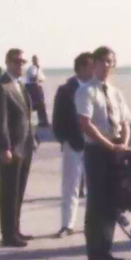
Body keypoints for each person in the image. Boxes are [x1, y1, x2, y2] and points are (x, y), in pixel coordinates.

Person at [75, 46, 131, 260]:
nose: (110, 66)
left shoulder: (115, 92)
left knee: (112, 202)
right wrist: (109, 146)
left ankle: (107, 251)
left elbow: (125, 122)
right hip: (98, 152)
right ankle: (94, 255)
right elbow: (85, 124)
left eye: (113, 62)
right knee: (96, 203)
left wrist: (124, 145)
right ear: (96, 63)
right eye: (106, 61)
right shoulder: (86, 92)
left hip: (116, 151)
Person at [0, 48, 37, 247]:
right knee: (8, 191)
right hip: (10, 148)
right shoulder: (1, 87)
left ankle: (15, 229)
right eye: (16, 61)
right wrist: (4, 147)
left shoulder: (20, 86)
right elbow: (0, 122)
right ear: (7, 62)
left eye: (23, 61)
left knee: (19, 191)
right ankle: (8, 235)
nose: (20, 65)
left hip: (25, 147)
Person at [52, 52, 94, 237]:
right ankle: (67, 225)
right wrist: (65, 140)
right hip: (74, 144)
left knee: (96, 187)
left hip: (95, 144)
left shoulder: (97, 88)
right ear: (83, 67)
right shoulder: (66, 90)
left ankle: (93, 223)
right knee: (71, 186)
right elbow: (57, 119)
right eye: (92, 66)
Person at [26, 55, 50, 128]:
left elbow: (42, 78)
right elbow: (33, 78)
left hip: (37, 86)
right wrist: (37, 79)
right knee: (36, 104)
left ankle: (43, 121)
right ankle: (41, 121)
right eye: (35, 60)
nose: (36, 61)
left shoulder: (38, 68)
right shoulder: (33, 68)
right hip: (32, 86)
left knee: (40, 104)